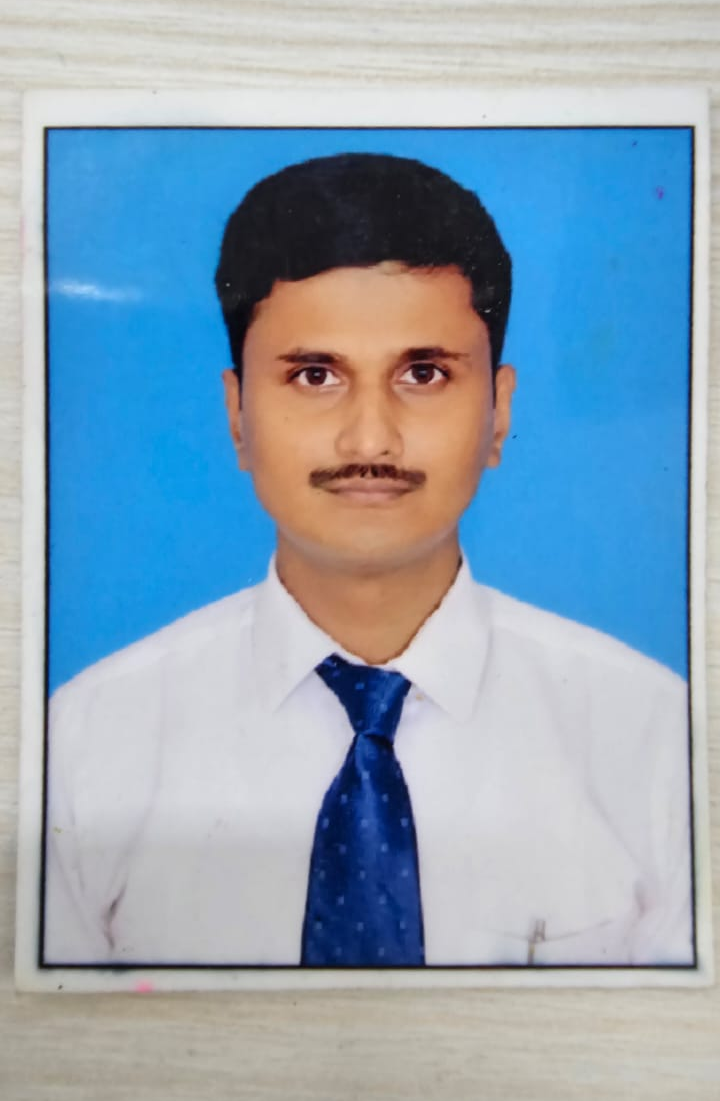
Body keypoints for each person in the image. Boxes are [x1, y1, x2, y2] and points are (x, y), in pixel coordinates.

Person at [44, 152, 694, 970]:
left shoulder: (657, 742)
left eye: (424, 373)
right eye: (315, 375)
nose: (370, 439)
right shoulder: (84, 745)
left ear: (499, 413)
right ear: (237, 415)